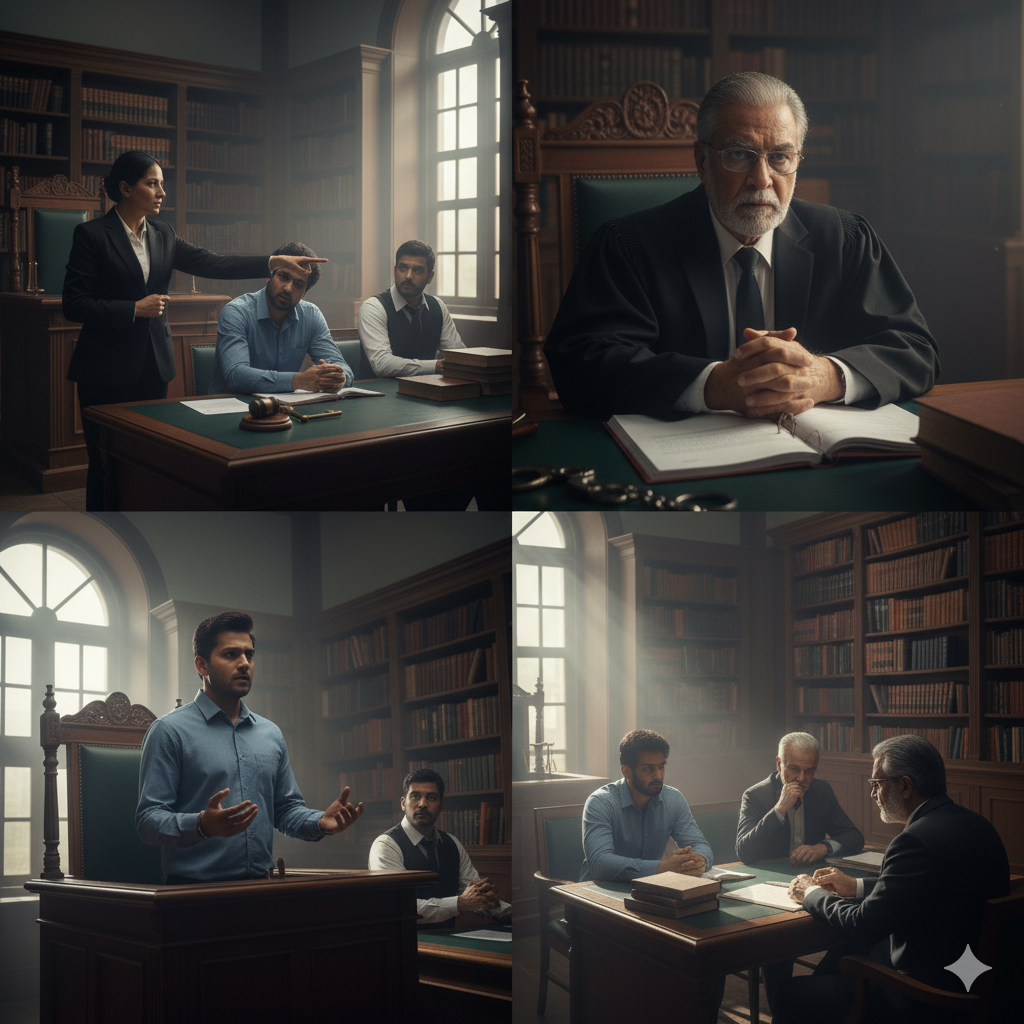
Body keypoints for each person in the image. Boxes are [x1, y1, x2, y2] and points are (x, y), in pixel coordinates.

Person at [544, 72, 939, 420]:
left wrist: (823, 377)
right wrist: (711, 385)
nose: (761, 179)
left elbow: (914, 350)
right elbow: (580, 365)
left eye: (780, 156)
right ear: (702, 160)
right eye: (739, 155)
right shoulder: (628, 245)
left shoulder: (846, 239)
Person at [63, 150, 326, 510]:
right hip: (104, 368)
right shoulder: (91, 234)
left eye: (161, 184)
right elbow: (74, 303)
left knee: (147, 461)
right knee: (104, 462)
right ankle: (99, 530)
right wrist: (133, 309)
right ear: (125, 188)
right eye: (152, 184)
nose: (162, 192)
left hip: (153, 366)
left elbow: (213, 263)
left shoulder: (163, 234)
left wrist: (272, 261)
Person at [775, 735, 1010, 1024]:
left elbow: (863, 925)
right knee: (844, 954)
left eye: (877, 784)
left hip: (925, 998)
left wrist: (812, 892)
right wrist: (855, 886)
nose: (872, 794)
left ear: (905, 786)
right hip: (977, 982)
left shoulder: (914, 840)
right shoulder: (979, 826)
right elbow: (929, 887)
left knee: (789, 994)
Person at [136, 611, 363, 883]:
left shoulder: (270, 734)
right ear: (202, 665)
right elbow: (148, 821)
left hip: (261, 889)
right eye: (231, 654)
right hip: (193, 893)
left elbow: (285, 810)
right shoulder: (168, 731)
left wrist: (320, 822)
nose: (244, 663)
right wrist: (202, 824)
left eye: (249, 655)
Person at [736, 731, 864, 1014]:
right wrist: (779, 809)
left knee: (853, 930)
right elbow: (745, 852)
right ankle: (782, 1011)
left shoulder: (822, 791)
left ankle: (806, 1007)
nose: (802, 779)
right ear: (779, 763)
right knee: (777, 943)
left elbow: (854, 837)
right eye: (794, 769)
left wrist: (823, 847)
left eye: (809, 771)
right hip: (769, 890)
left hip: (811, 886)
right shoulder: (757, 795)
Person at [367, 768, 510, 925]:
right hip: (403, 937)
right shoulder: (386, 845)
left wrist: (505, 910)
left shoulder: (452, 843)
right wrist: (459, 903)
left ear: (441, 805)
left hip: (447, 937)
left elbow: (475, 895)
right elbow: (397, 906)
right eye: (415, 796)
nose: (422, 804)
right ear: (403, 803)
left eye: (431, 797)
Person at [208, 241, 353, 395]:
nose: (288, 288)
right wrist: (298, 380)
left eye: (298, 284)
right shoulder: (236, 312)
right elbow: (236, 376)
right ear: (268, 277)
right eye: (284, 277)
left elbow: (342, 367)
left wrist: (338, 377)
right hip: (231, 405)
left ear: (303, 294)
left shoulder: (311, 315)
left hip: (283, 406)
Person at [581, 729, 714, 881]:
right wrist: (664, 868)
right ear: (626, 771)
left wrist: (699, 860)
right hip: (597, 890)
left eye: (661, 767)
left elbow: (700, 845)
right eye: (648, 769)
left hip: (651, 888)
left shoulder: (673, 799)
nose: (658, 775)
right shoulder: (600, 803)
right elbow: (600, 864)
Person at [357, 239, 466, 378]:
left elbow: (458, 353)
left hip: (427, 387)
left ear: (430, 277)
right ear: (395, 270)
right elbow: (382, 364)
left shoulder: (437, 306)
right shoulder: (373, 307)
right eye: (403, 268)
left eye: (417, 270)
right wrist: (436, 366)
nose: (408, 276)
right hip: (379, 389)